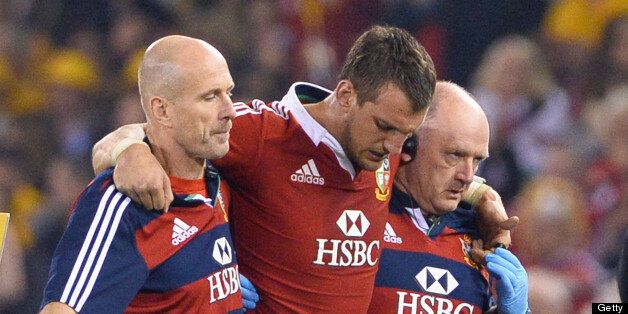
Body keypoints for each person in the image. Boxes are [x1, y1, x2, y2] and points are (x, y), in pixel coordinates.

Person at [92, 26, 514, 312]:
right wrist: (131, 152)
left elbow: (445, 172)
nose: (394, 148)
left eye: (406, 135)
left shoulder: (385, 148)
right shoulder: (264, 136)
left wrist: (485, 198)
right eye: (385, 127)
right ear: (346, 95)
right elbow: (136, 136)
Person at [40, 35, 258, 313]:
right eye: (210, 97)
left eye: (228, 92)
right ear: (162, 110)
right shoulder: (122, 206)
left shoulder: (218, 178)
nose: (230, 111)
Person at [368, 82, 528, 314]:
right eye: (455, 155)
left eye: (477, 160)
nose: (468, 176)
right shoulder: (362, 208)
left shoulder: (481, 236)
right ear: (409, 144)